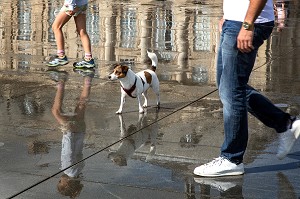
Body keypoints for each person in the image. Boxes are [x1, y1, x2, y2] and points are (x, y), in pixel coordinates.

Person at [193, 0, 300, 177]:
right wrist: (227, 16)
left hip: (247, 23)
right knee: (227, 86)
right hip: (235, 21)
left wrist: (247, 25)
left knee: (232, 90)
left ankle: (232, 159)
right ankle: (285, 124)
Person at [49, 68, 94, 197]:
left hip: (80, 132)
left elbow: (78, 152)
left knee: (81, 105)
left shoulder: (79, 170)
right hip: (72, 132)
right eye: (60, 182)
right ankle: (61, 80)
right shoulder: (68, 169)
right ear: (67, 183)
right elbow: (68, 152)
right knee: (55, 111)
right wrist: (67, 132)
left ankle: (88, 78)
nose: (59, 179)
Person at [47, 0, 95, 68]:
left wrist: (71, 6)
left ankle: (61, 57)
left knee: (56, 27)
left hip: (71, 5)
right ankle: (88, 59)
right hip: (82, 4)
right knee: (82, 32)